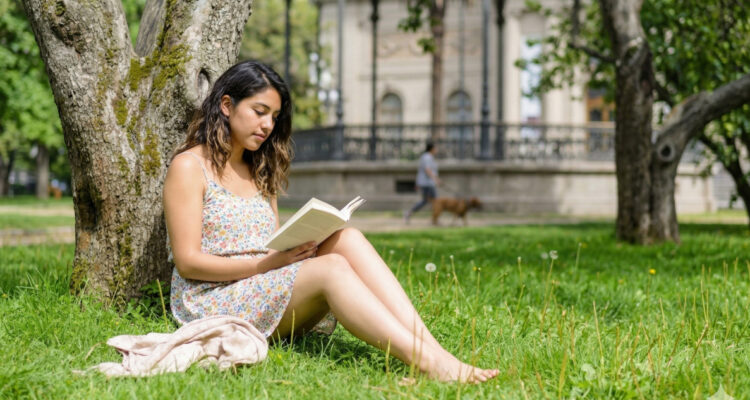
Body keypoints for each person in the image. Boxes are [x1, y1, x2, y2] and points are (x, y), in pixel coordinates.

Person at [163, 60, 498, 383]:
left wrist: (297, 248)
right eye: (259, 111)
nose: (267, 125)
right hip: (213, 298)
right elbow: (188, 262)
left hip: (263, 282)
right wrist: (265, 265)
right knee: (332, 268)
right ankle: (431, 365)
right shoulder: (190, 167)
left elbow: (271, 241)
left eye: (274, 117)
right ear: (226, 105)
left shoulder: (260, 168)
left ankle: (436, 351)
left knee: (346, 238)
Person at [404, 142, 440, 224]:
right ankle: (434, 219)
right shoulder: (427, 157)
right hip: (427, 183)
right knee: (434, 201)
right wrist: (436, 179)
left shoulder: (428, 157)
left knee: (429, 201)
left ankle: (434, 218)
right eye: (436, 148)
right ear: (432, 149)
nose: (437, 150)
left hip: (428, 183)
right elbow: (427, 170)